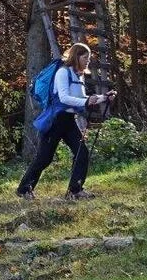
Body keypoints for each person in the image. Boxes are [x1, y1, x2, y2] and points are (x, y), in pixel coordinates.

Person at [17, 42, 115, 201]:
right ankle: (24, 189)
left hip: (69, 120)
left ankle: (75, 191)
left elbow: (83, 99)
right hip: (55, 120)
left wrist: (104, 98)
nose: (88, 61)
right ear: (76, 56)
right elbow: (64, 98)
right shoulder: (63, 73)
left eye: (88, 58)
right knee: (44, 158)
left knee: (82, 152)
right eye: (85, 57)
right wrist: (85, 102)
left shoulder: (79, 75)